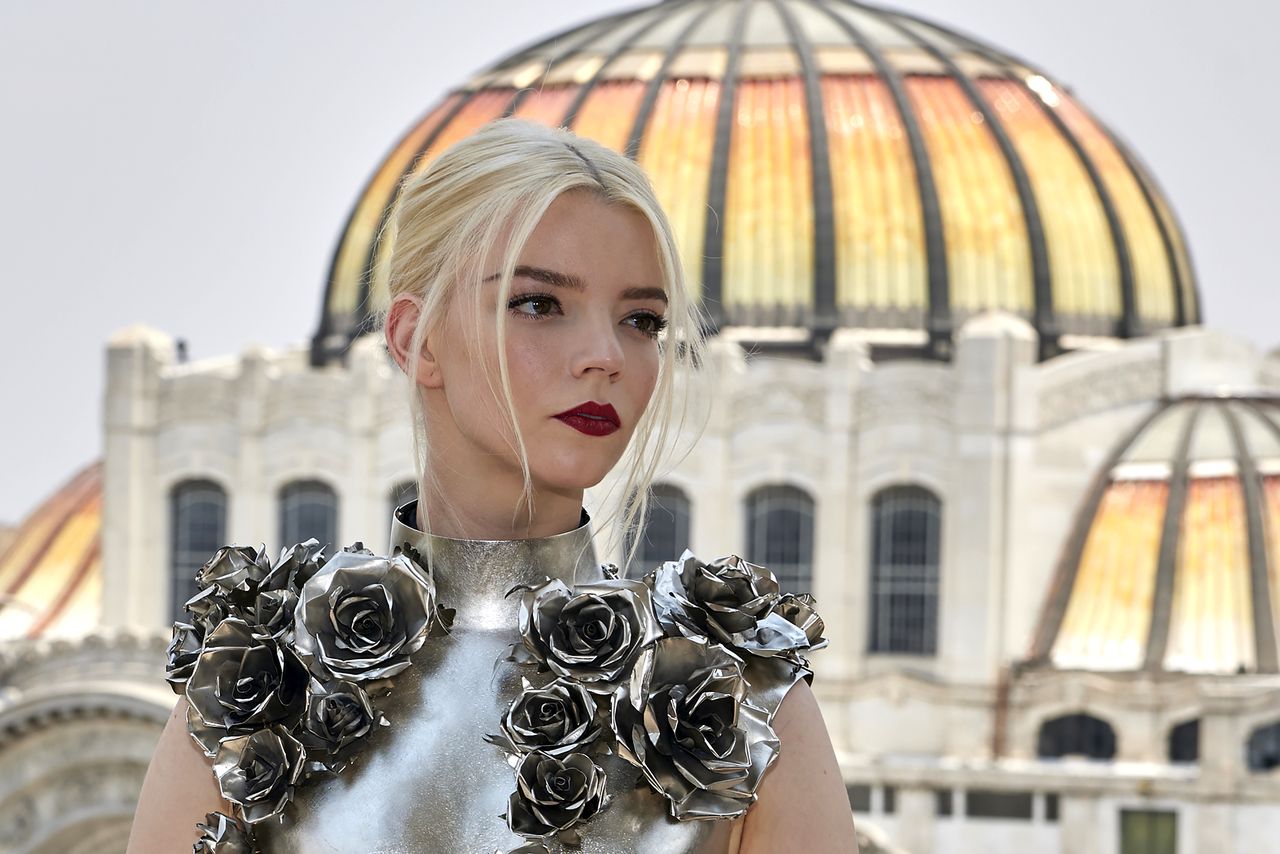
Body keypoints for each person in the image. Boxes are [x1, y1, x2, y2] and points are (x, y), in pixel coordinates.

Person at [127, 118, 856, 853]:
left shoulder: (741, 705)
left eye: (641, 320)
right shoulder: (255, 690)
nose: (605, 355)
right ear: (416, 339)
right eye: (539, 303)